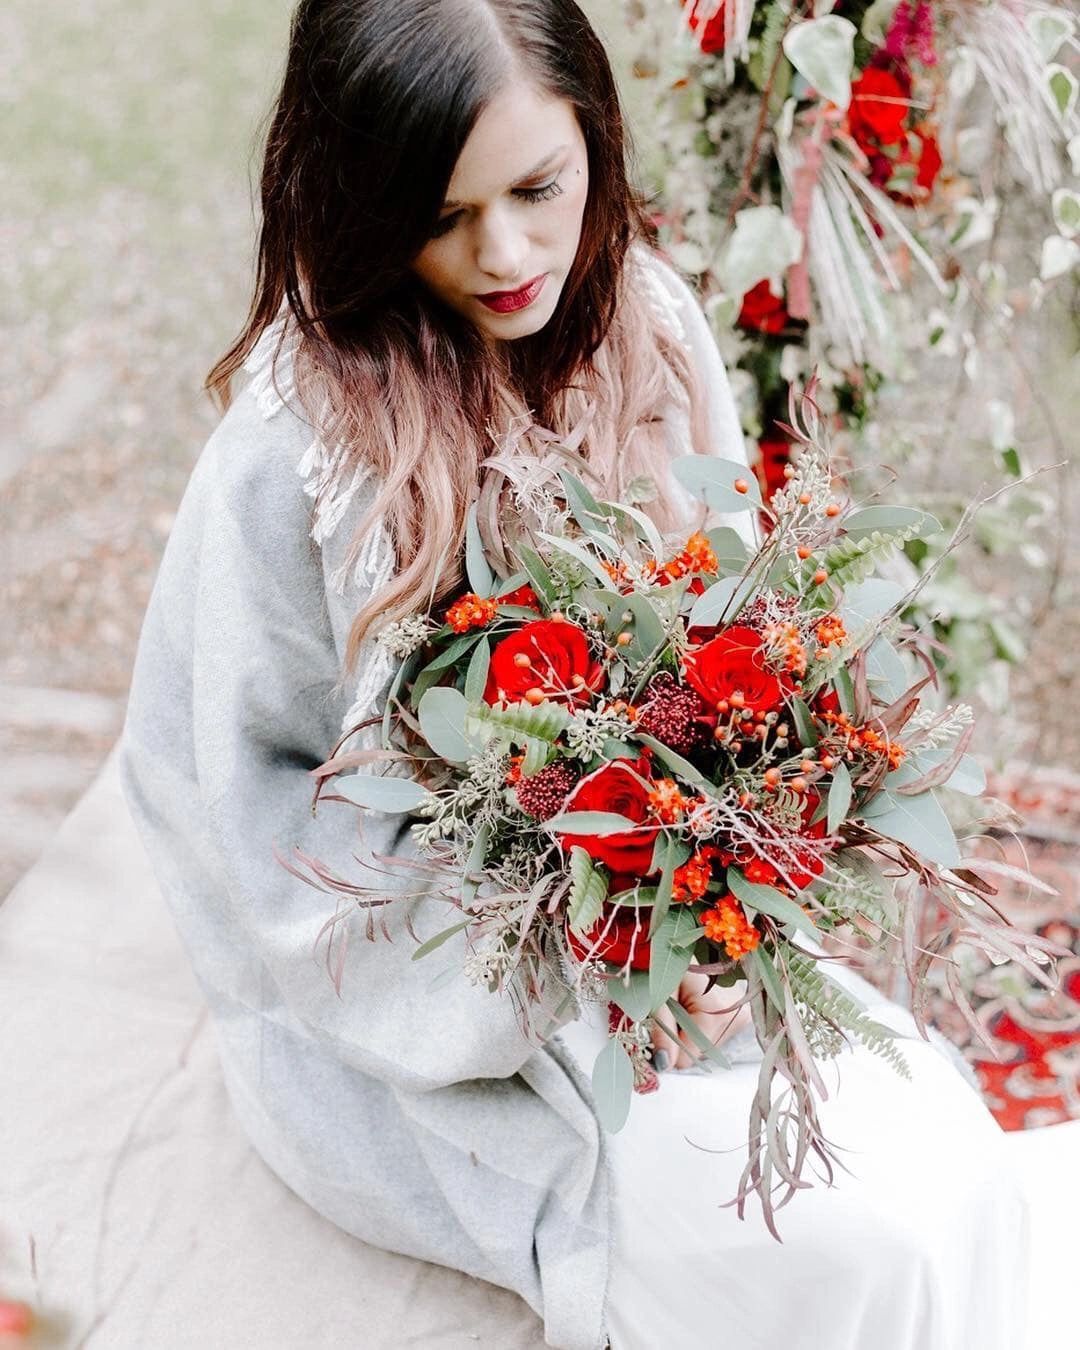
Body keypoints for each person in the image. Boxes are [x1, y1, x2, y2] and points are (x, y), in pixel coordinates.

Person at [119, 2, 1031, 1347]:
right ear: (362, 199)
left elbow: (728, 634)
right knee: (851, 1242)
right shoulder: (291, 449)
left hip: (678, 934)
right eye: (442, 215)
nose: (506, 254)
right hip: (435, 1012)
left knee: (951, 1158)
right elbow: (234, 820)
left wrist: (720, 887)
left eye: (540, 188)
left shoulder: (646, 323)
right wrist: (564, 959)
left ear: (595, 138)